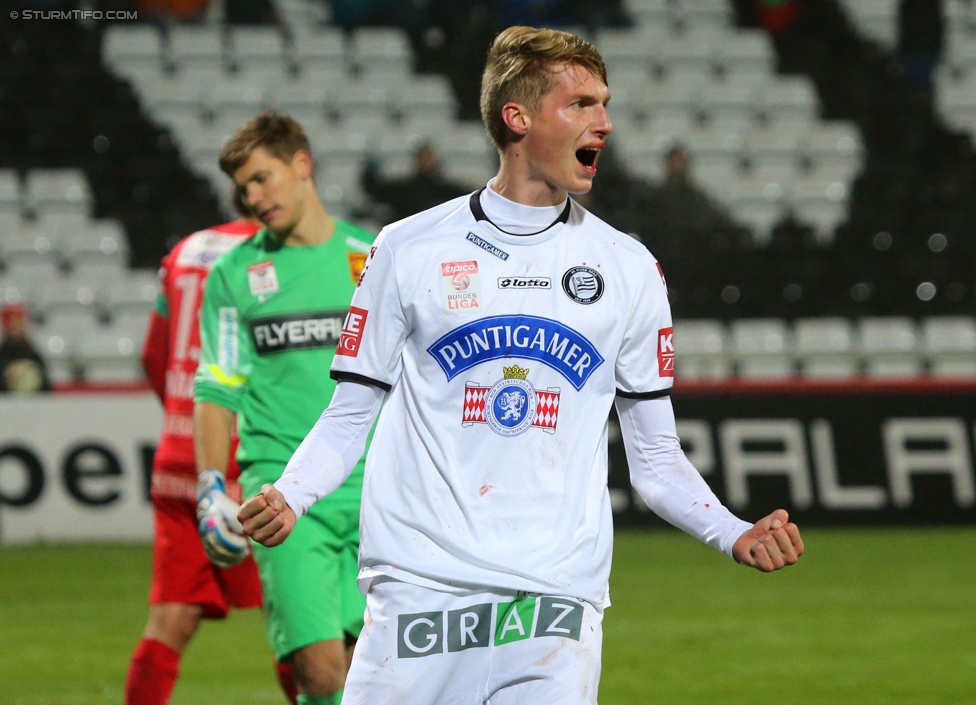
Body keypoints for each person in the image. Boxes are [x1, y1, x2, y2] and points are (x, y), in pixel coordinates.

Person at [240, 27, 804, 705]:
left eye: (605, 103)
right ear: (519, 117)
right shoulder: (408, 248)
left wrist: (733, 530)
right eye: (583, 104)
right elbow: (349, 415)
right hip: (420, 593)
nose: (606, 121)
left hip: (554, 603)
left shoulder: (628, 268)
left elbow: (654, 456)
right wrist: (291, 492)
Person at [193, 110, 376, 705]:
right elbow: (218, 386)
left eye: (261, 178)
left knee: (368, 672)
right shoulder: (234, 276)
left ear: (302, 165)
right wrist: (210, 485)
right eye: (243, 187)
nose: (252, 197)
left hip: (377, 492)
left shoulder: (372, 259)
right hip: (285, 495)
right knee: (321, 673)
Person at [124, 202, 300, 704]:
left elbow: (153, 355)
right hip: (254, 458)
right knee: (303, 622)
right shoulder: (277, 255)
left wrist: (190, 421)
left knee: (169, 620)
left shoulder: (185, 251)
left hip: (181, 456)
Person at [361, 141, 471, 223]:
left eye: (429, 157)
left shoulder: (448, 190)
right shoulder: (404, 189)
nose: (427, 161)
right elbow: (374, 190)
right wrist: (369, 172)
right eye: (423, 157)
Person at [0, 303, 51, 393]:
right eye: (13, 324)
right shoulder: (2, 355)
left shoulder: (33, 355)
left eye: (20, 323)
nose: (17, 328)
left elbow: (46, 385)